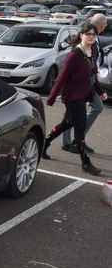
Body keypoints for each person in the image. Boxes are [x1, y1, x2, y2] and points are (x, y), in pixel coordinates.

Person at [43, 23, 108, 175]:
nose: (91, 37)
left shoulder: (92, 51)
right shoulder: (74, 55)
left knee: (67, 123)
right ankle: (86, 163)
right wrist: (51, 98)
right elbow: (62, 78)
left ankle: (45, 142)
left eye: (94, 34)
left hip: (84, 94)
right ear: (81, 35)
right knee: (80, 126)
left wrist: (100, 91)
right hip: (72, 96)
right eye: (88, 34)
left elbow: (93, 75)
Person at [61, 13, 108, 153]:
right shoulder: (83, 40)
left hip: (92, 80)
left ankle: (77, 139)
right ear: (102, 26)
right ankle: (71, 141)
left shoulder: (95, 39)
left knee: (81, 111)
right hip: (80, 83)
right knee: (74, 113)